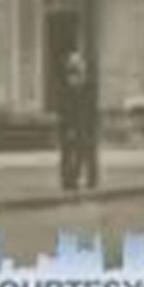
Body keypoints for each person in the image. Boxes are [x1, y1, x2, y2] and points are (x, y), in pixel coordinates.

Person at [57, 49, 96, 191]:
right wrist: (68, 127)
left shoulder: (87, 85)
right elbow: (65, 108)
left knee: (81, 152)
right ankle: (68, 180)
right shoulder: (66, 85)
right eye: (74, 63)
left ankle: (78, 179)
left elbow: (89, 107)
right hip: (69, 123)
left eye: (79, 63)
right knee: (68, 153)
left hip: (83, 124)